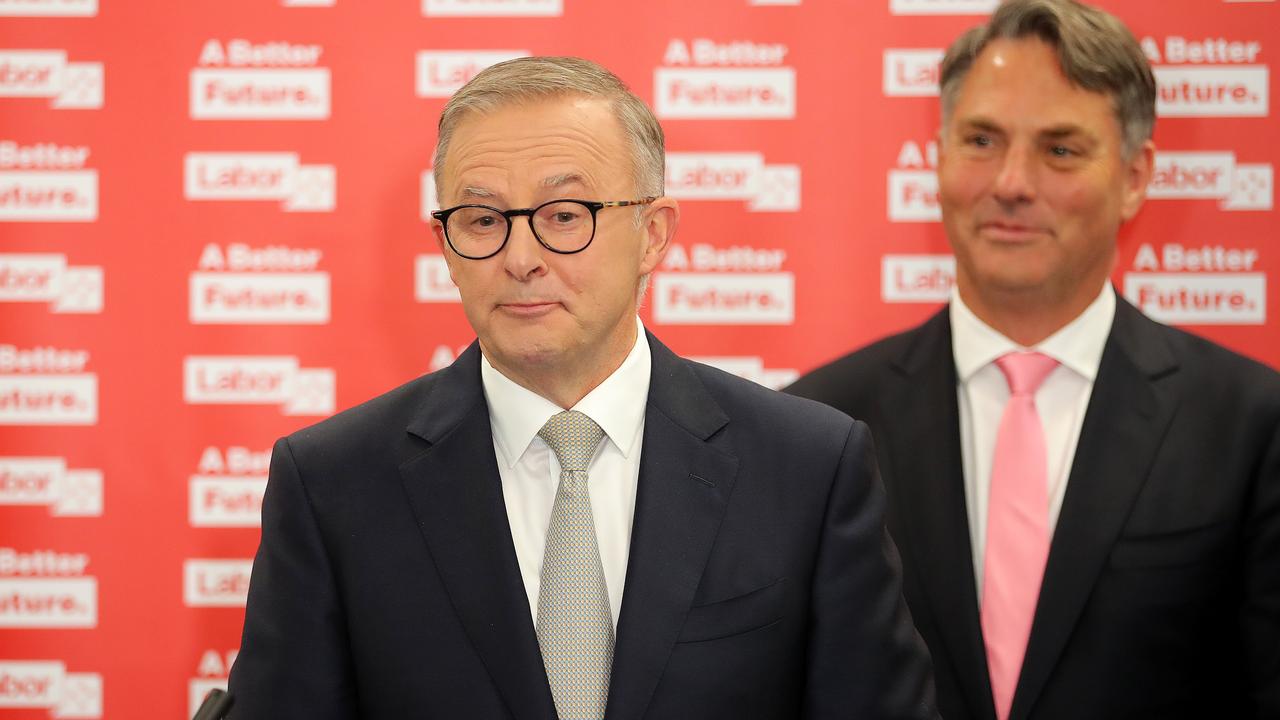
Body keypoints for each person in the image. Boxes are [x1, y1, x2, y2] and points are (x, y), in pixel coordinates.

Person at [227, 56, 938, 719]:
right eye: (482, 220)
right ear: (446, 246)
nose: (521, 257)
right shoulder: (333, 485)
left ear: (654, 235)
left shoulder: (808, 468)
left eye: (565, 216)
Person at [786, 1, 1280, 719]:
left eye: (1060, 149)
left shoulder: (1250, 425)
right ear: (941, 154)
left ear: (1137, 176)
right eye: (981, 140)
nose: (1012, 182)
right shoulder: (821, 420)